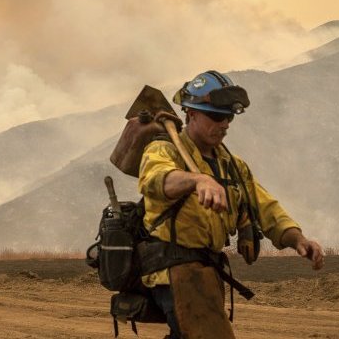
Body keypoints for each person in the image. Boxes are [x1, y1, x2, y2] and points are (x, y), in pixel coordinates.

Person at [138, 71, 325, 339]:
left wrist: (298, 239)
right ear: (190, 114)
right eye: (216, 116)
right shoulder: (164, 150)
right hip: (173, 271)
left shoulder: (232, 165)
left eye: (229, 116)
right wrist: (197, 180)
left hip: (206, 275)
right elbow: (156, 181)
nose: (224, 123)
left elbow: (265, 206)